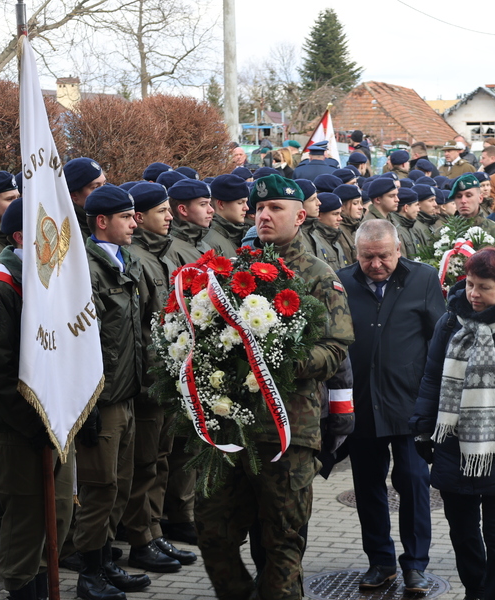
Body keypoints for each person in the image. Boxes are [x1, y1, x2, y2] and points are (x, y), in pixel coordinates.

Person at [195, 174, 353, 600]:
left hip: (288, 429)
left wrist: (284, 362)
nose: (264, 215)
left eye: (275, 208)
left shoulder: (319, 276)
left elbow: (336, 347)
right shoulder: (232, 269)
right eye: (259, 208)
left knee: (282, 541)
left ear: (300, 216)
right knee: (212, 530)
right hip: (234, 426)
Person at [410, 247, 495, 600]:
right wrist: (423, 427)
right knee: (463, 533)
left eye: (484, 287)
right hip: (454, 449)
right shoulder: (449, 323)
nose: (473, 294)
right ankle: (476, 591)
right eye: (470, 284)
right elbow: (431, 379)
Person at [337, 219, 443, 594]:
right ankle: (380, 561)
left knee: (415, 482)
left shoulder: (423, 279)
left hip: (409, 404)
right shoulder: (341, 281)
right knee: (367, 485)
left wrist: (436, 401)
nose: (377, 264)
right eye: (368, 257)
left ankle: (415, 565)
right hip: (362, 405)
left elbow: (438, 337)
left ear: (398, 250)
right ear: (356, 253)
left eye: (384, 256)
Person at [0, 199, 76, 599]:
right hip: (20, 426)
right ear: (22, 236)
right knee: (25, 518)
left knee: (58, 510)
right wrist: (32, 421)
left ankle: (43, 581)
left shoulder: (54, 279)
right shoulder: (2, 284)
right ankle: (22, 589)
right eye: (46, 231)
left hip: (57, 418)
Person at [77, 185, 151, 599]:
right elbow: (80, 341)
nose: (134, 223)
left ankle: (106, 562)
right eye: (126, 217)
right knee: (100, 488)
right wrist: (86, 403)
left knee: (120, 485)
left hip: (126, 394)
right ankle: (89, 574)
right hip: (101, 401)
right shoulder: (84, 269)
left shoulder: (126, 263)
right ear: (102, 221)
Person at [121, 182, 195, 574]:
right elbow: (142, 330)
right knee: (144, 463)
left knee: (160, 459)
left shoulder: (161, 254)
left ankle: (154, 530)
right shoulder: (136, 259)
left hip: (167, 378)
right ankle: (140, 537)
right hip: (149, 381)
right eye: (162, 211)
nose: (169, 217)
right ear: (140, 216)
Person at [203, 174, 250, 258]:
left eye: (246, 202)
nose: (246, 208)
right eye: (240, 203)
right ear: (221, 204)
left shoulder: (240, 233)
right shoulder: (210, 242)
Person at [450, 174, 495, 241]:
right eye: (459, 197)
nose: (463, 201)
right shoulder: (444, 232)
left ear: (480, 198)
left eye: (469, 195)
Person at [64, 157, 107, 239]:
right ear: (74, 196)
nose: (104, 191)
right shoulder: (70, 233)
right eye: (95, 187)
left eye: (104, 184)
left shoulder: (110, 219)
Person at [311, 192, 349, 271]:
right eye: (335, 214)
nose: (340, 218)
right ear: (319, 215)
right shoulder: (314, 240)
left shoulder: (335, 240)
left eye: (340, 214)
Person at [391, 188, 423, 258]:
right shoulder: (395, 229)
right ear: (406, 208)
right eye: (416, 205)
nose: (418, 210)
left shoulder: (410, 225)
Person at [336, 183, 364, 262]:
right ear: (342, 207)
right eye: (355, 203)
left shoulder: (356, 226)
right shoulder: (337, 230)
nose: (360, 207)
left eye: (360, 203)